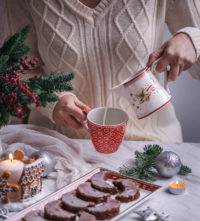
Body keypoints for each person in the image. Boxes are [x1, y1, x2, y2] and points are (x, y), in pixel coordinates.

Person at [4, 0, 200, 142]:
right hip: (63, 147)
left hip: (151, 146)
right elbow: (16, 74)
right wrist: (53, 102)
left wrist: (194, 39)